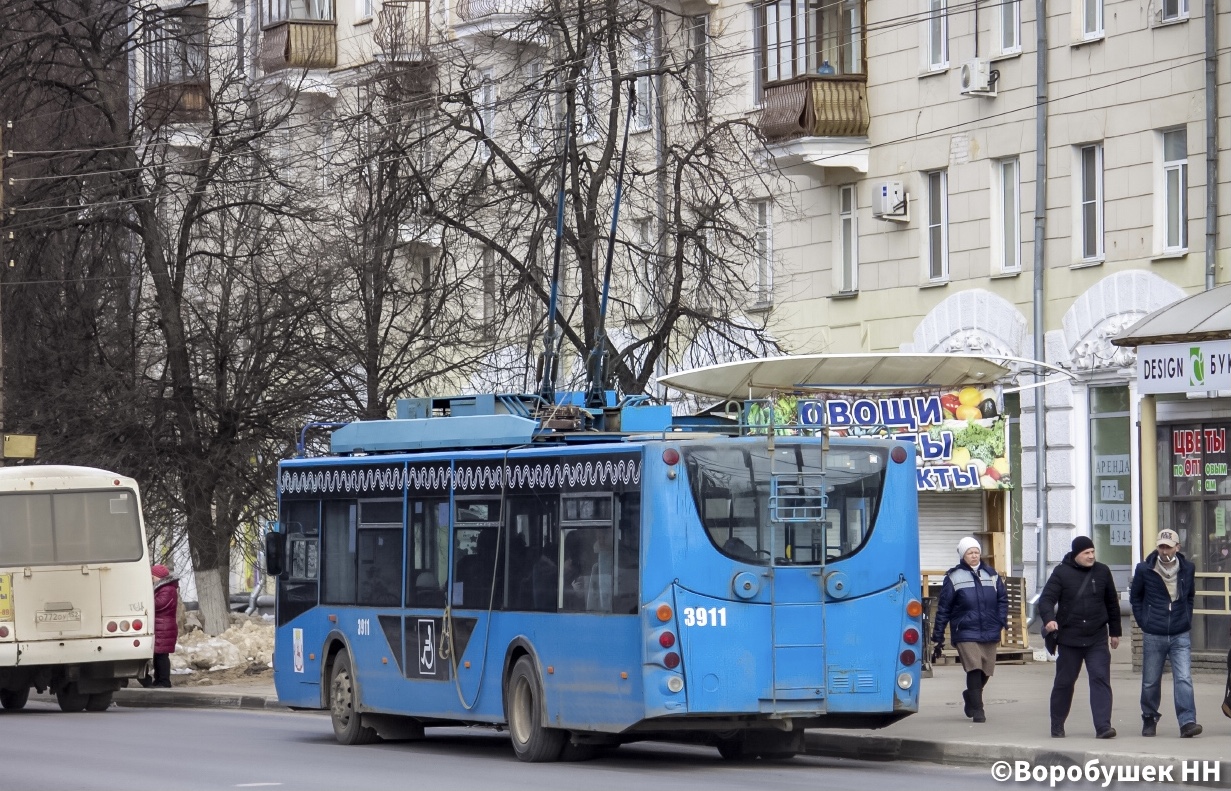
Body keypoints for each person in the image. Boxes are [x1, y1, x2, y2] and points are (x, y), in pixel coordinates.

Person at [1037, 535, 1121, 739]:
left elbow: (1112, 602)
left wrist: (1115, 632)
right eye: (1086, 553)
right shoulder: (1061, 572)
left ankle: (1103, 727)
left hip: (1096, 637)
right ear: (1076, 554)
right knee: (1064, 682)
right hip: (1070, 638)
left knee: (1100, 679)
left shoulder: (1102, 571)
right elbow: (1046, 599)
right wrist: (1049, 619)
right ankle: (1057, 724)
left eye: (1092, 552)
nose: (1091, 556)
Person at [1129, 528, 1201, 738]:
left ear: (1177, 547)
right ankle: (1149, 717)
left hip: (1180, 632)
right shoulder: (1145, 569)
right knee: (1150, 680)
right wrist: (1144, 622)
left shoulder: (1187, 568)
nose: (1164, 551)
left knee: (1184, 678)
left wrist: (1186, 617)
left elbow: (1190, 596)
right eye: (1161, 546)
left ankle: (1187, 722)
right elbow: (1136, 598)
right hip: (1154, 632)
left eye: (1168, 547)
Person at [929, 537, 1008, 723]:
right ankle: (978, 709)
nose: (974, 555)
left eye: (976, 552)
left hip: (990, 627)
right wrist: (938, 635)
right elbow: (944, 608)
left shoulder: (992, 575)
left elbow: (1002, 600)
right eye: (970, 553)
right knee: (974, 667)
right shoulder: (953, 577)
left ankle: (970, 695)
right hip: (965, 630)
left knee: (986, 670)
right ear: (963, 556)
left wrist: (1000, 620)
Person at [149, 564, 179, 688]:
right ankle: (158, 680)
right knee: (158, 655)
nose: (152, 578)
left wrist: (147, 600)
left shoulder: (167, 589)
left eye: (153, 576)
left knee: (162, 656)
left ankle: (164, 681)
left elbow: (160, 604)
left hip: (164, 627)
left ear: (158, 576)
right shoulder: (163, 588)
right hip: (161, 626)